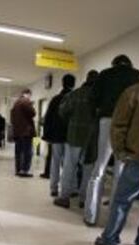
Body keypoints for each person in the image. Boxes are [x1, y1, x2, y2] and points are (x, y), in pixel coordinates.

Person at [94, 53, 139, 245]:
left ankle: (110, 240)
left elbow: (118, 126)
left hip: (137, 157)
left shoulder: (133, 91)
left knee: (122, 201)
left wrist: (121, 152)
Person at [84, 55, 139, 226]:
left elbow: (91, 99)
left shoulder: (105, 74)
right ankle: (113, 218)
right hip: (129, 124)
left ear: (114, 63)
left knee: (99, 168)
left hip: (107, 120)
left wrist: (96, 115)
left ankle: (91, 215)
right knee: (120, 170)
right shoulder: (137, 76)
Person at [54, 70, 99, 209]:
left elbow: (62, 112)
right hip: (92, 138)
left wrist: (72, 121)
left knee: (69, 166)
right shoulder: (98, 96)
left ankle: (64, 197)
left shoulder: (74, 94)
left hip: (74, 135)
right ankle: (84, 199)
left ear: (86, 78)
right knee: (88, 168)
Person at [42, 74, 76, 197]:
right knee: (69, 164)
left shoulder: (55, 99)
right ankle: (69, 189)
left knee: (55, 162)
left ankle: (53, 188)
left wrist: (47, 135)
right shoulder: (75, 98)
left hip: (56, 136)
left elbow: (48, 118)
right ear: (74, 84)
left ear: (62, 83)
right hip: (70, 136)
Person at [10, 89, 36, 177]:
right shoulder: (25, 101)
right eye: (30, 95)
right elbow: (33, 113)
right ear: (28, 94)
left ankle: (18, 169)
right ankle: (25, 170)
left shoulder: (15, 104)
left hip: (17, 132)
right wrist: (31, 105)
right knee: (27, 151)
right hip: (26, 132)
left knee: (18, 152)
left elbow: (12, 118)